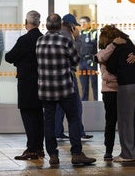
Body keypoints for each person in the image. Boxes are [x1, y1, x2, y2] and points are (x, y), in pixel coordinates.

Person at [36, 13, 96, 165]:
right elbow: (75, 60)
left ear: (47, 25)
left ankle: (53, 156)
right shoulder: (64, 40)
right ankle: (76, 154)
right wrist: (76, 39)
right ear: (60, 25)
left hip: (46, 90)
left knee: (48, 122)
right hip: (64, 88)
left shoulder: (40, 41)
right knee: (73, 118)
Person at [95, 24, 135, 161]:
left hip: (126, 89)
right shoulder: (106, 52)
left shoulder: (125, 48)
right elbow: (103, 71)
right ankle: (109, 151)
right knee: (112, 122)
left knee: (128, 122)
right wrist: (122, 76)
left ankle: (131, 152)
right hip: (111, 91)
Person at [5, 10, 44, 160]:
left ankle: (31, 149)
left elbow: (9, 57)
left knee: (28, 115)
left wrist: (19, 61)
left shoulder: (24, 40)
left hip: (27, 83)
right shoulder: (42, 38)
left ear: (26, 23)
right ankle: (40, 148)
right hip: (42, 82)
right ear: (39, 23)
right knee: (39, 115)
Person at [55, 14, 93, 140]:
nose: (76, 28)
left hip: (58, 76)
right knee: (76, 105)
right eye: (74, 26)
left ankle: (58, 132)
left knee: (60, 106)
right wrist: (77, 38)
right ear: (70, 26)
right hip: (68, 75)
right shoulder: (67, 36)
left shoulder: (57, 35)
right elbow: (76, 55)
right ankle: (79, 133)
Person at [79, 16, 98, 101]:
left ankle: (96, 101)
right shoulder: (79, 34)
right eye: (81, 23)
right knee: (84, 84)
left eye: (84, 22)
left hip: (91, 62)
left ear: (89, 23)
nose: (82, 24)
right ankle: (84, 102)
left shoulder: (93, 33)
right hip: (82, 62)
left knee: (94, 83)